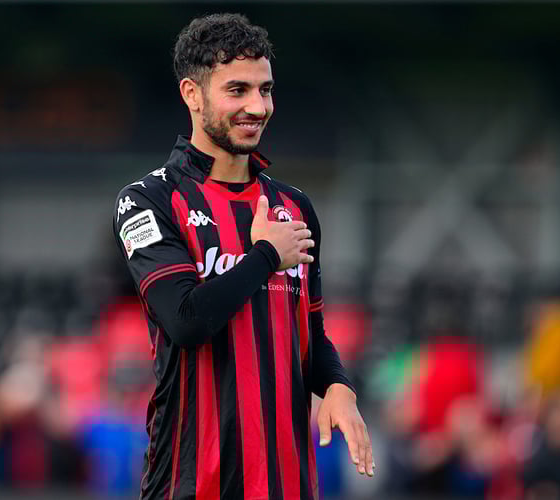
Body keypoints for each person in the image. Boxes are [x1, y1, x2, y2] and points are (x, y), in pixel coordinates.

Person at [112, 13, 373, 499]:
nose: (258, 106)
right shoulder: (147, 200)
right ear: (192, 94)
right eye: (238, 91)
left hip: (285, 484)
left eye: (266, 89)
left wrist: (338, 385)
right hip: (189, 482)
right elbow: (187, 320)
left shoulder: (294, 207)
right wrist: (265, 256)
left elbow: (309, 336)